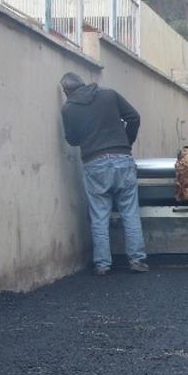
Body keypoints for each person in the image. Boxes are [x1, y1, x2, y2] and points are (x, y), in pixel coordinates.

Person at [60, 71, 148, 277]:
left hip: (94, 163)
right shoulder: (109, 94)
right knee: (130, 212)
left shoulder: (68, 109)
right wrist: (126, 142)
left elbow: (72, 140)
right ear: (83, 83)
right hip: (122, 158)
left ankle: (102, 265)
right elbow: (134, 117)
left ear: (66, 91)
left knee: (99, 215)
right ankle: (137, 260)